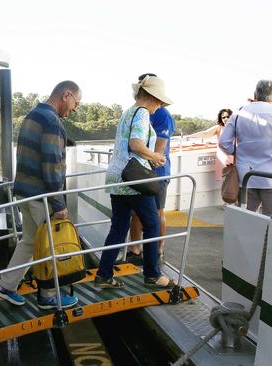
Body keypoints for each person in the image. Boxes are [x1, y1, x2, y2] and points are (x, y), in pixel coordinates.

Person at [0, 81, 81, 309]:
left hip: (24, 191)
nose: (75, 109)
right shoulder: (52, 122)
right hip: (42, 196)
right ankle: (48, 296)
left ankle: (6, 285)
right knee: (50, 245)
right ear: (66, 95)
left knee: (30, 242)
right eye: (75, 102)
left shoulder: (33, 116)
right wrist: (58, 202)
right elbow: (52, 164)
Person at [94, 75, 177, 289]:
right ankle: (152, 274)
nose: (159, 107)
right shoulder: (141, 114)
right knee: (152, 223)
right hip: (134, 179)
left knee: (119, 228)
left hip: (117, 178)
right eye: (159, 101)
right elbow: (136, 145)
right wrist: (156, 157)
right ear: (151, 97)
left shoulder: (127, 113)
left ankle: (103, 275)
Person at [128, 73, 177, 267]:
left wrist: (147, 162)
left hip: (157, 172)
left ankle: (158, 249)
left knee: (157, 212)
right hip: (139, 171)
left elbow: (159, 150)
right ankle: (135, 249)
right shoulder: (138, 112)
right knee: (135, 212)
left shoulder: (163, 115)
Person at [219, 80, 272, 216]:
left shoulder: (239, 113)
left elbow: (224, 142)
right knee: (269, 221)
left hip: (245, 176)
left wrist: (239, 152)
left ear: (256, 94)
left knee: (246, 218)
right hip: (269, 177)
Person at [189, 108, 233, 181]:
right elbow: (205, 133)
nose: (226, 119)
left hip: (234, 160)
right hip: (222, 161)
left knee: (233, 184)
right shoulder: (219, 128)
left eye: (228, 117)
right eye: (223, 117)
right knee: (224, 184)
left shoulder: (236, 128)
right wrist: (190, 136)